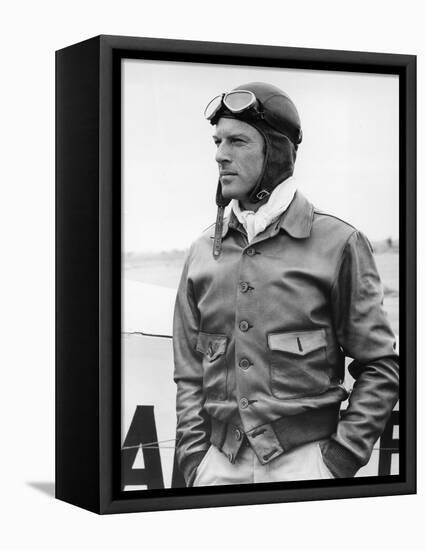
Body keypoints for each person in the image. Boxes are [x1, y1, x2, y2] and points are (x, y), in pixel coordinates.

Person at [173, 82, 399, 487]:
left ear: (275, 152)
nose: (220, 154)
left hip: (308, 465)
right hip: (216, 468)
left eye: (238, 141)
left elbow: (380, 365)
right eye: (218, 141)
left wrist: (338, 461)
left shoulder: (339, 243)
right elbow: (189, 374)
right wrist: (194, 462)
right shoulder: (201, 251)